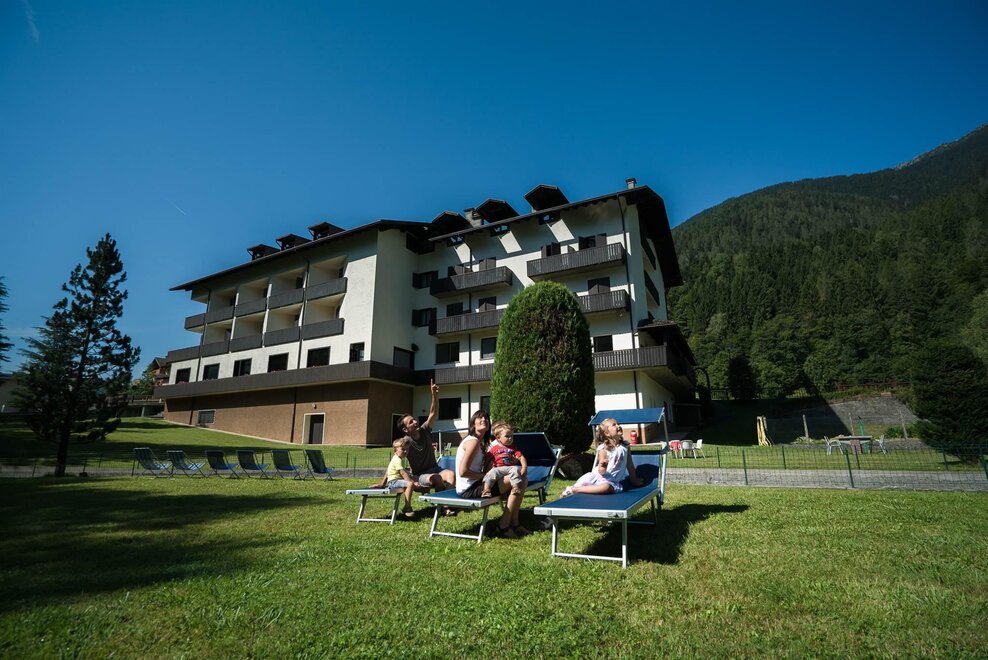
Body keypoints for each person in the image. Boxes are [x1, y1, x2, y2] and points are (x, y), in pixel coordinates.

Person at [455, 410, 530, 538]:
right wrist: (486, 475)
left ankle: (514, 523)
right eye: (479, 418)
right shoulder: (472, 442)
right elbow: (463, 472)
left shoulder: (480, 442)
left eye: (486, 418)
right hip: (469, 489)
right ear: (473, 423)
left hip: (477, 483)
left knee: (521, 479)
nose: (484, 419)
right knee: (520, 480)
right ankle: (504, 526)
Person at [397, 379, 456, 501]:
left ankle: (447, 504)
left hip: (435, 469)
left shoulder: (425, 430)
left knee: (451, 474)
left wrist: (434, 395)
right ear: (405, 429)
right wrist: (408, 480)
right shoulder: (405, 442)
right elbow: (395, 462)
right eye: (411, 422)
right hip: (420, 476)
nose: (415, 422)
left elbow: (433, 413)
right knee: (437, 478)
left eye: (414, 419)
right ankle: (443, 505)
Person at [560, 418, 643, 497]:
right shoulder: (604, 449)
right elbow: (601, 472)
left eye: (618, 424)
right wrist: (602, 466)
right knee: (585, 481)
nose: (618, 426)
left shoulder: (625, 446)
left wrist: (634, 480)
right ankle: (573, 490)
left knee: (606, 487)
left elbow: (630, 464)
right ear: (607, 433)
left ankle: (577, 489)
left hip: (611, 481)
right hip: (599, 477)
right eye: (614, 425)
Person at [368, 439, 421, 517]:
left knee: (413, 480)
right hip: (394, 482)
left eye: (407, 449)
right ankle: (407, 507)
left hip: (396, 481)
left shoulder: (396, 458)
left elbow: (388, 471)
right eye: (403, 449)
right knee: (410, 484)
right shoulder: (397, 460)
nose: (405, 451)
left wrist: (382, 484)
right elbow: (402, 473)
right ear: (395, 451)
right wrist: (412, 482)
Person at [481, 421, 527, 499]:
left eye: (511, 436)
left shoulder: (513, 448)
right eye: (507, 436)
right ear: (498, 438)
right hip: (498, 468)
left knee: (515, 469)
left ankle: (515, 487)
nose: (510, 438)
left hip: (510, 467)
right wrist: (486, 469)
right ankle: (486, 490)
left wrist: (524, 467)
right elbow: (488, 459)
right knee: (490, 473)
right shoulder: (494, 448)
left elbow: (521, 457)